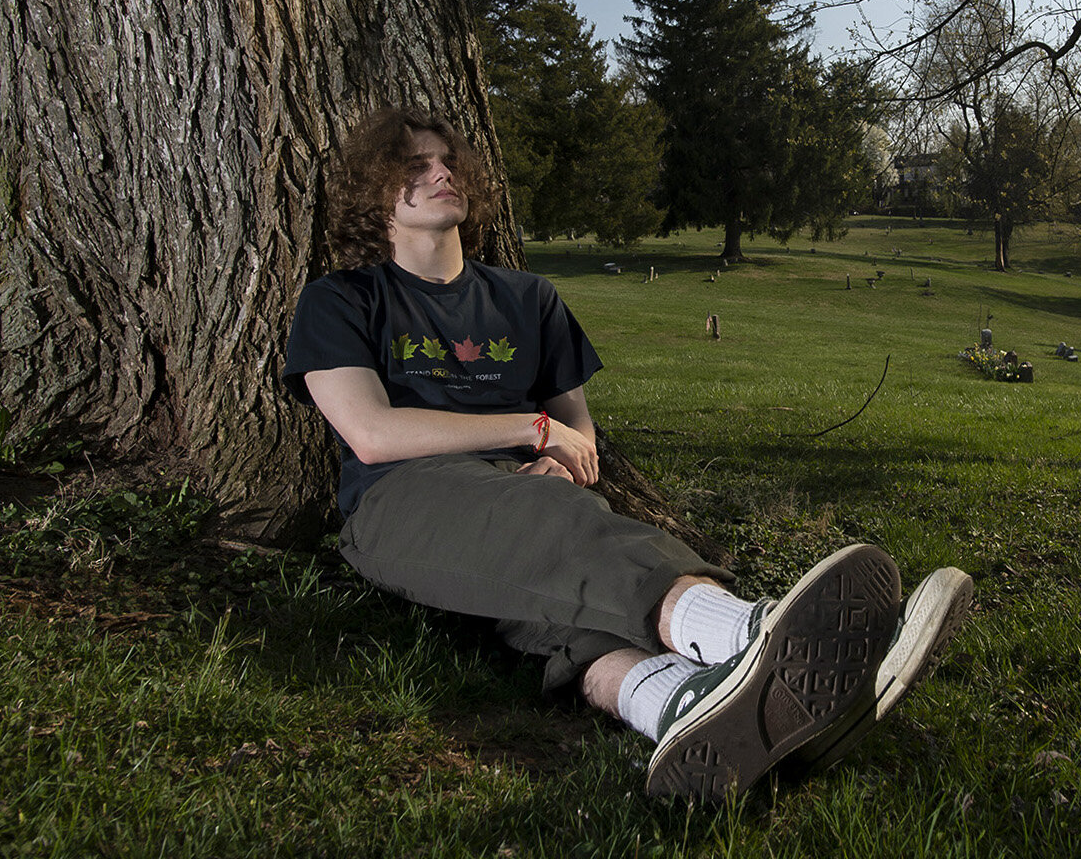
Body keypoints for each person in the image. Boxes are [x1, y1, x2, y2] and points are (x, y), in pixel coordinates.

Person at [283, 106, 972, 801]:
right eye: (415, 167)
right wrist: (531, 429)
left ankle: (679, 708)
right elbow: (372, 434)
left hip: (528, 495)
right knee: (548, 517)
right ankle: (755, 634)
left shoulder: (528, 300)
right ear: (377, 193)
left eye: (449, 162)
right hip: (402, 503)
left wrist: (559, 450)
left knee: (570, 622)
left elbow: (577, 432)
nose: (441, 174)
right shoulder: (341, 300)